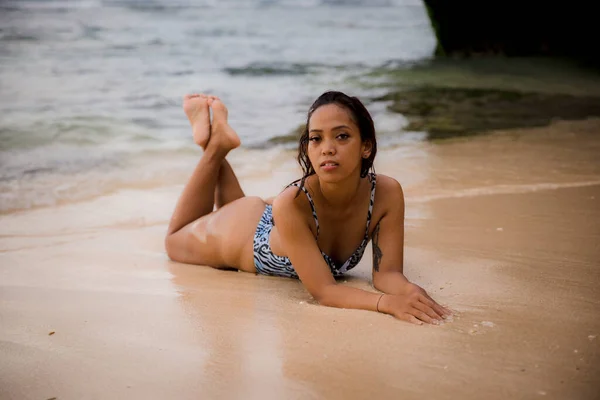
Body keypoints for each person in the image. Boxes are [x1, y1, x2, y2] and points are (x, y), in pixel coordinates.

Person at [165, 91, 451, 325]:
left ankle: (215, 138)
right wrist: (387, 303)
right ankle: (214, 146)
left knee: (230, 208)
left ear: (366, 146)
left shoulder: (387, 194)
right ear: (308, 148)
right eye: (316, 138)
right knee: (173, 241)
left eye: (341, 136)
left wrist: (412, 293)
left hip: (281, 223)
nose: (327, 148)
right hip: (247, 234)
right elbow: (326, 291)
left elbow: (387, 275)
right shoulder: (293, 202)